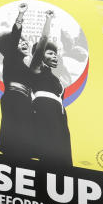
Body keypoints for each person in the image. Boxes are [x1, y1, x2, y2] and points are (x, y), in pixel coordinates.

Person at [29, 10, 72, 166]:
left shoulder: (56, 79)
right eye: (50, 53)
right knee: (47, 154)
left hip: (59, 116)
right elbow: (44, 38)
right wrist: (48, 19)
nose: (55, 56)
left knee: (62, 156)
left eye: (56, 54)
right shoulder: (35, 69)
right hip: (43, 111)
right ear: (40, 55)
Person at [0, 3, 35, 158]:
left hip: (24, 101)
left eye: (26, 40)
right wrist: (21, 15)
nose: (24, 42)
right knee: (15, 144)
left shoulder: (26, 64)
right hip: (14, 98)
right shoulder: (10, 57)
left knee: (24, 144)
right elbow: (15, 34)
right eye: (20, 41)